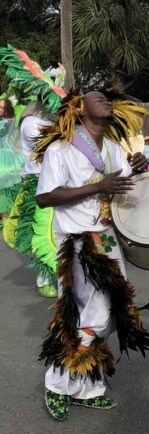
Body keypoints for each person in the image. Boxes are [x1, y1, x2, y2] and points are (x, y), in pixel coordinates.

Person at [34, 88, 149, 422]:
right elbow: (45, 197)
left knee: (110, 314)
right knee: (93, 314)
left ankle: (87, 386)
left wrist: (141, 169)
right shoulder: (62, 150)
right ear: (79, 108)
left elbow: (125, 189)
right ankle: (57, 383)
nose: (106, 100)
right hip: (77, 243)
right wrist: (98, 186)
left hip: (107, 240)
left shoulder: (115, 150)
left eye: (108, 97)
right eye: (97, 97)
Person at [0, 47, 67, 297]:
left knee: (58, 232)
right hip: (39, 186)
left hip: (58, 185)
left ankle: (60, 275)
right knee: (44, 234)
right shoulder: (31, 123)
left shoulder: (51, 121)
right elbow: (52, 146)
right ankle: (45, 279)